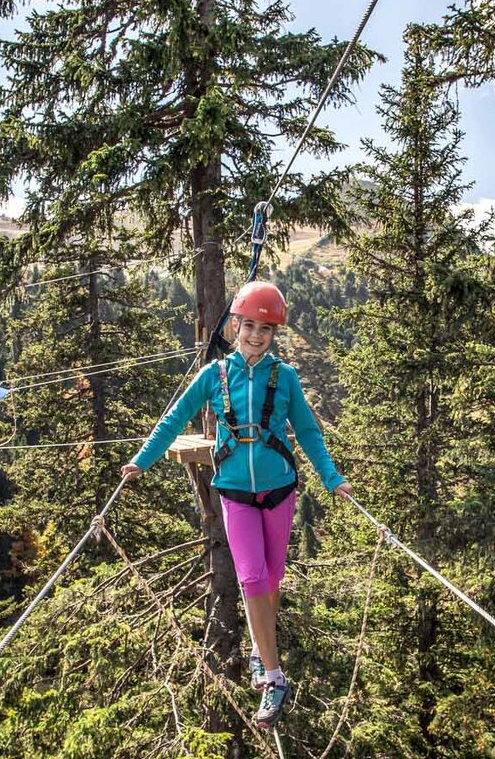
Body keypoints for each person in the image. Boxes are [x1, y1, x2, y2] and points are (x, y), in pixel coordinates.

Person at [122, 280, 352, 727]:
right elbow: (173, 419)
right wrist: (142, 460)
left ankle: (257, 644)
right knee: (250, 577)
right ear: (235, 326)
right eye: (250, 326)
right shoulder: (214, 375)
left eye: (266, 329)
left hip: (279, 489)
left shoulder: (284, 377)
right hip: (234, 493)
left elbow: (307, 431)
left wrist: (332, 478)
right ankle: (273, 675)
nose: (256, 336)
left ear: (272, 335)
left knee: (272, 579)